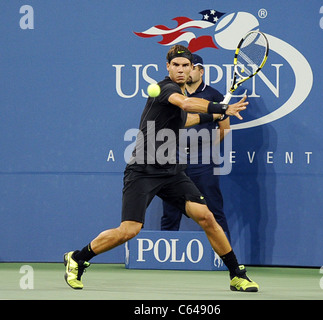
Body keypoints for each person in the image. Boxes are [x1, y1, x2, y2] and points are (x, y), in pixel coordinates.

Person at [63, 44, 259, 292]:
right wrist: (221, 108)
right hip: (143, 170)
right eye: (175, 65)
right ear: (168, 67)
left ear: (191, 69)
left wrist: (213, 116)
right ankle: (78, 258)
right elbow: (186, 106)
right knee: (129, 231)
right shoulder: (166, 88)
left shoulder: (178, 93)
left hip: (171, 171)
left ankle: (237, 274)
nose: (180, 70)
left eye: (185, 66)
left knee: (206, 217)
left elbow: (185, 119)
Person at [161, 54, 231, 241]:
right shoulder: (172, 94)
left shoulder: (214, 96)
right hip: (174, 160)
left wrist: (206, 149)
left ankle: (223, 257)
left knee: (214, 209)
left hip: (203, 162)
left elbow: (224, 129)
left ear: (201, 71)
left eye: (191, 67)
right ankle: (165, 258)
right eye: (182, 66)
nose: (186, 71)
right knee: (170, 211)